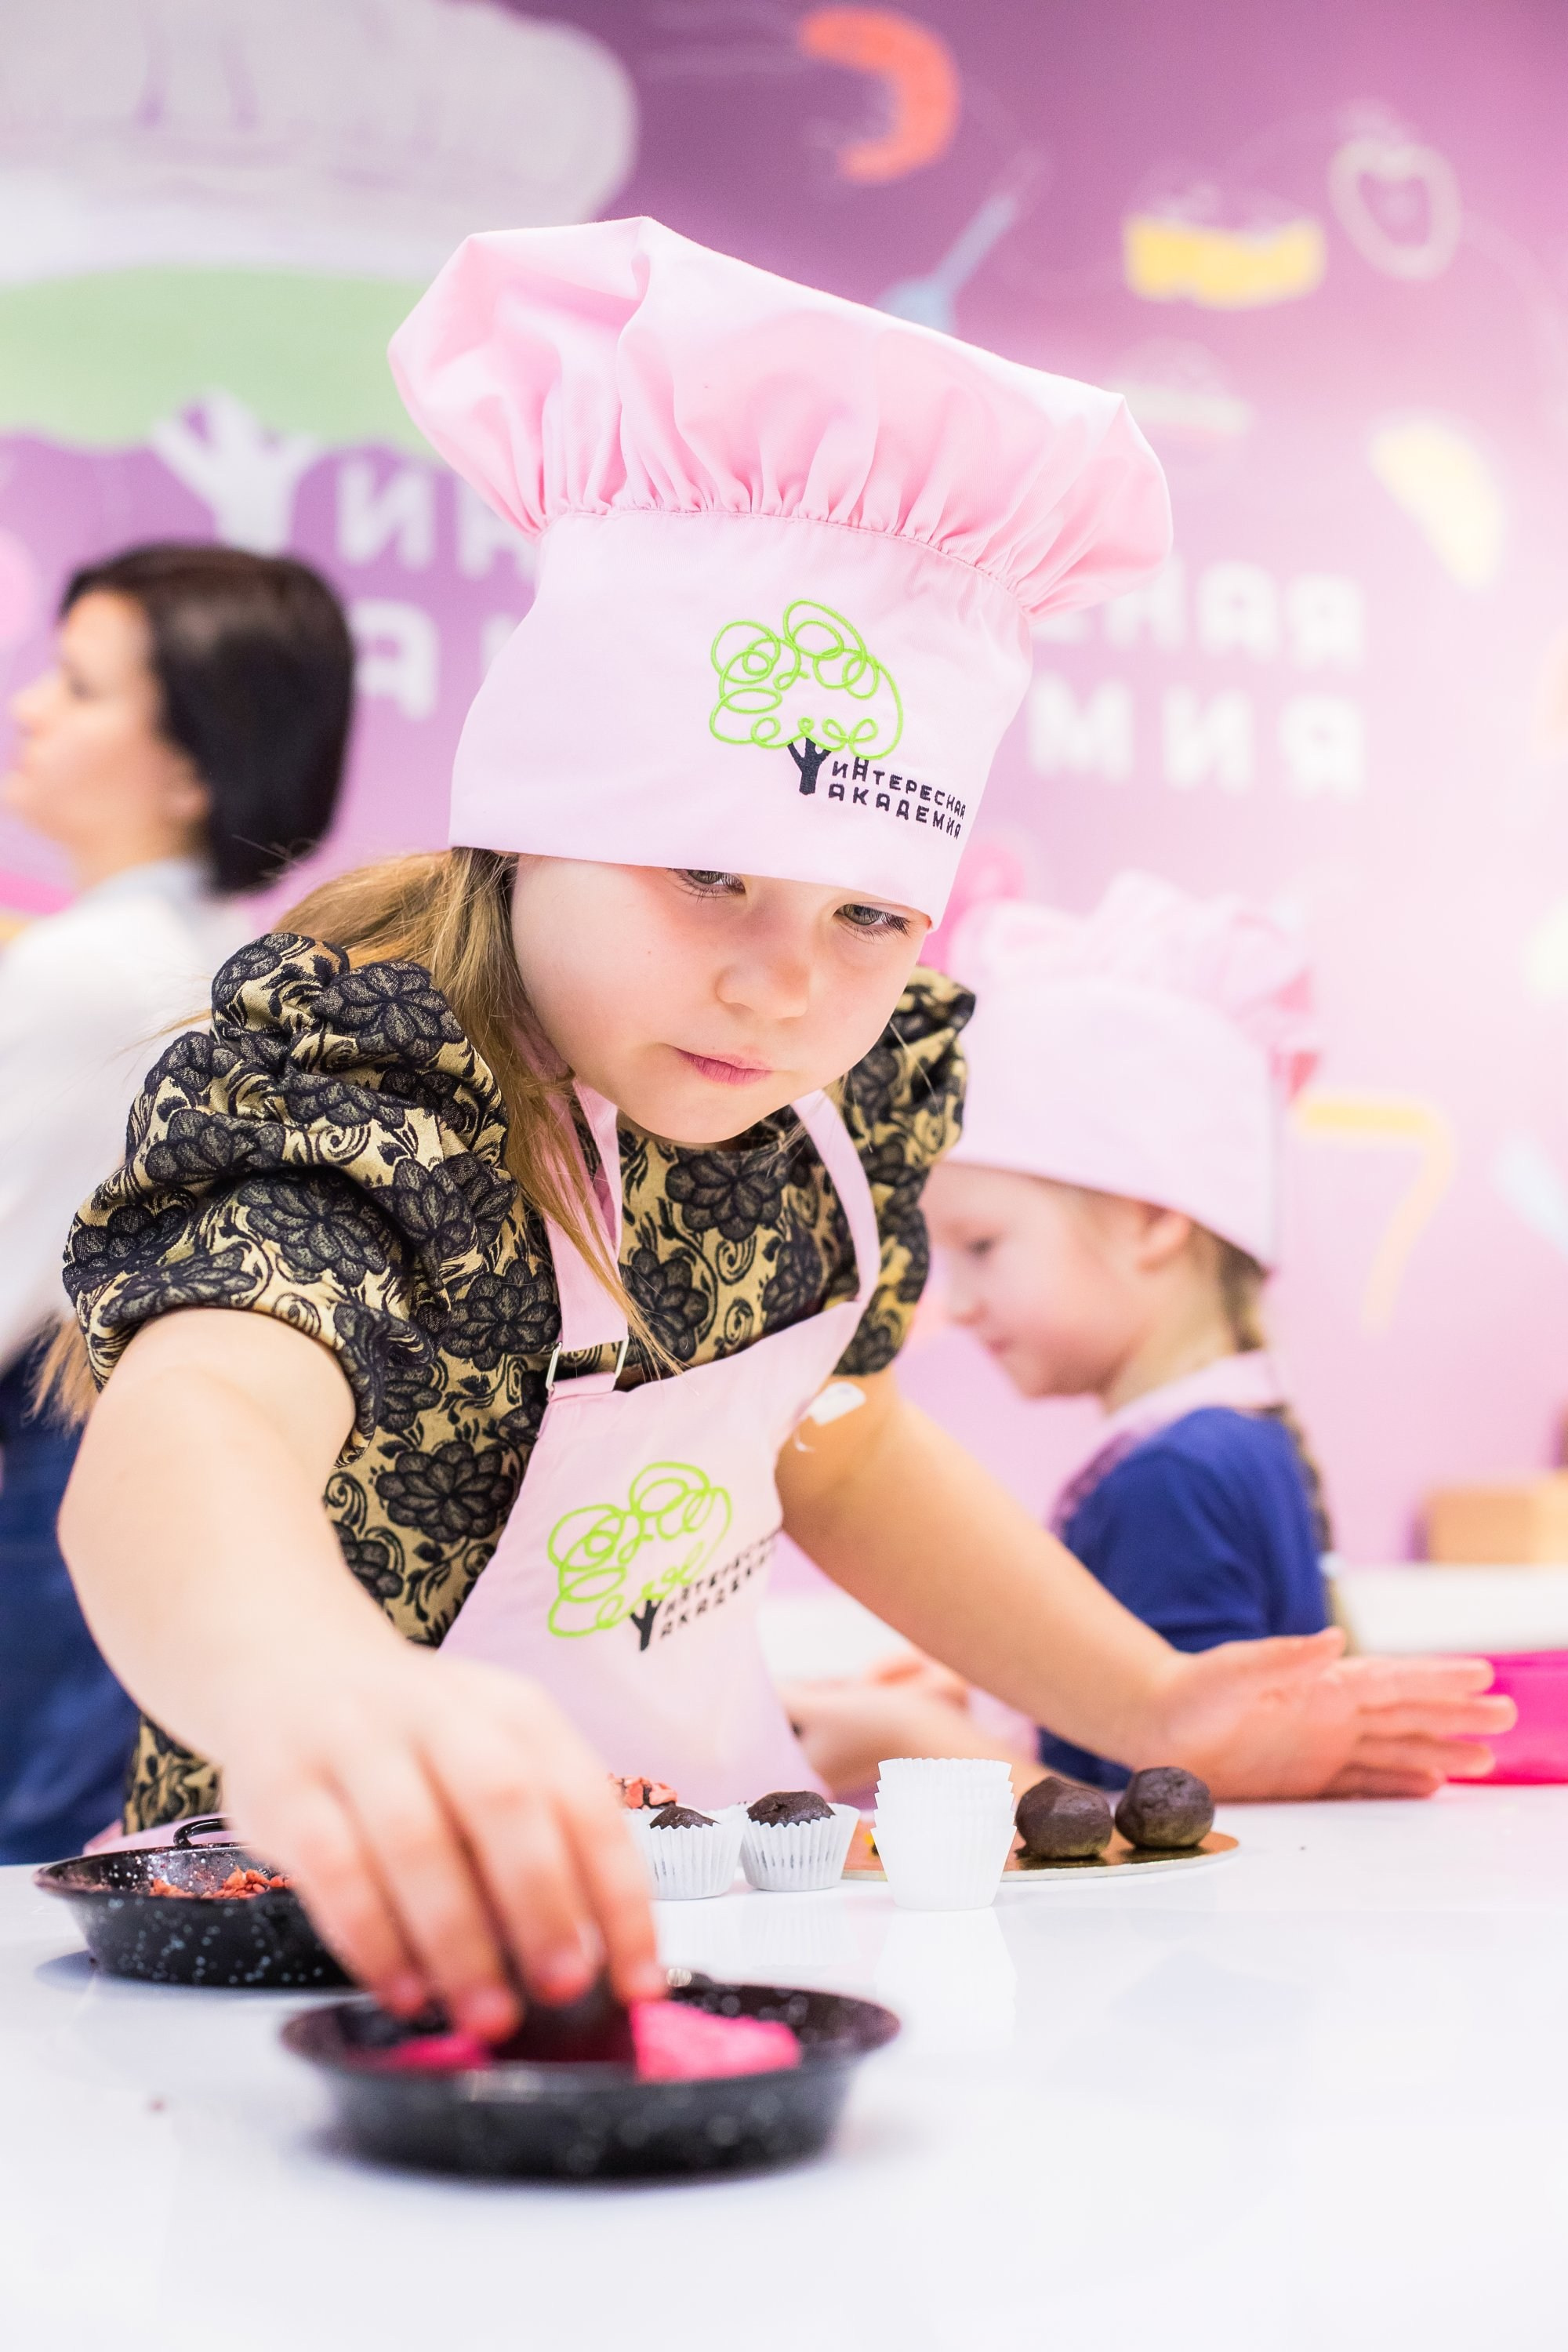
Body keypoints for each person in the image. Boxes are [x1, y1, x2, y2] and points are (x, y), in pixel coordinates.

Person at [51, 221, 1508, 2045]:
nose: (777, 986)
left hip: (720, 1907)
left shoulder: (835, 1102)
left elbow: (832, 1439)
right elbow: (184, 1442)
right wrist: (320, 1695)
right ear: (533, 824)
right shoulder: (382, 1085)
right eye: (708, 875)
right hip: (332, 1946)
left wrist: (1159, 1705)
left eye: (866, 919)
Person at [783, 875, 1345, 1797]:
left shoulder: (1173, 1479)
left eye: (983, 1247)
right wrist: (1005, 1699)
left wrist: (910, 1737)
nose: (955, 1306)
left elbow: (1171, 1809)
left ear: (1151, 1222)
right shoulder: (1227, 1442)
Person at [0, 544, 354, 1861]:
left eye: (81, 688)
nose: (32, 707)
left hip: (56, 1470)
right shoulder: (247, 961)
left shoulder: (91, 972)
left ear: (194, 763)